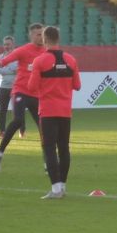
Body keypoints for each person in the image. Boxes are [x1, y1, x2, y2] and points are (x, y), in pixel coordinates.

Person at [30, 25, 81, 200]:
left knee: (49, 148)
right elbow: (77, 86)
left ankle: (56, 188)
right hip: (65, 111)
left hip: (47, 111)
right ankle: (63, 187)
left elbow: (31, 87)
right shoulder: (71, 60)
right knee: (64, 147)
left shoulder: (39, 61)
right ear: (58, 39)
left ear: (44, 40)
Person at [0, 23, 46, 172]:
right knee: (18, 120)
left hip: (37, 94)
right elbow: (9, 58)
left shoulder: (46, 52)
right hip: (20, 91)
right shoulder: (24, 50)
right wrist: (0, 62)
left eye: (42, 33)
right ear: (31, 35)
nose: (40, 37)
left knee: (44, 129)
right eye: (38, 34)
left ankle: (48, 161)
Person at [0, 35, 17, 137]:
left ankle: (21, 131)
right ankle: (2, 131)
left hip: (16, 87)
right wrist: (10, 70)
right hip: (3, 86)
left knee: (17, 110)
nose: (6, 46)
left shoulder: (17, 56)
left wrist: (4, 69)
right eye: (4, 44)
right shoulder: (1, 57)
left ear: (13, 44)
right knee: (2, 110)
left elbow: (17, 70)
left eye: (8, 44)